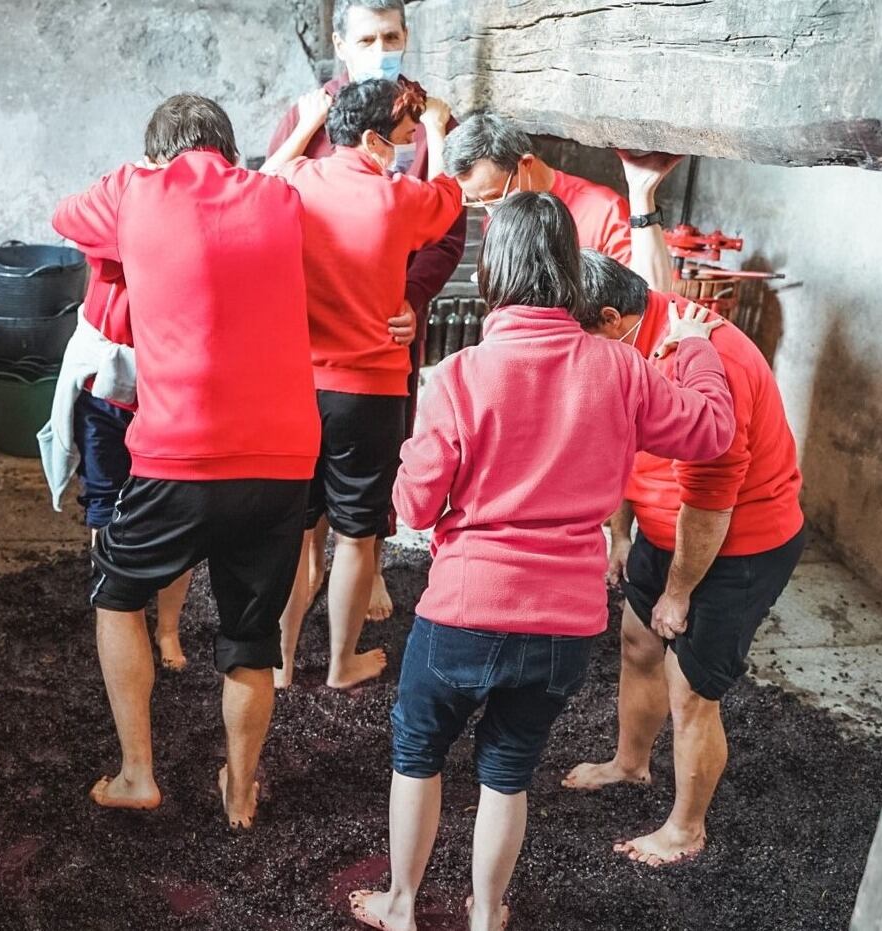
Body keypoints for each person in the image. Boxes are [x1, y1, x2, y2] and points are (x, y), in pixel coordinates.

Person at [348, 192, 735, 931]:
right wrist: (694, 346)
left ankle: (401, 906)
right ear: (567, 269)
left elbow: (415, 507)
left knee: (419, 753)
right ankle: (486, 913)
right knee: (507, 769)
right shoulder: (620, 367)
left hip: (463, 610)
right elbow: (711, 430)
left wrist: (411, 456)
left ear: (492, 269)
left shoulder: (459, 375)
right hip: (564, 624)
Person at [52, 94, 320, 829]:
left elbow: (64, 216)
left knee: (116, 597)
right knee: (250, 637)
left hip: (179, 452)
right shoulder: (279, 195)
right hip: (281, 457)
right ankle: (239, 788)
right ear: (230, 153)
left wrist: (139, 171)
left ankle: (139, 772)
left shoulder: (135, 190)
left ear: (156, 154)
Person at [562, 248, 807, 867]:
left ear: (613, 317)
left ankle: (685, 829)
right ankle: (630, 764)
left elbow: (709, 503)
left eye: (574, 333)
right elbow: (621, 446)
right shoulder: (630, 341)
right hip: (666, 526)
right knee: (637, 642)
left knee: (690, 685)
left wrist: (679, 592)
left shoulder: (705, 362)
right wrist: (623, 535)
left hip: (738, 539)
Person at [268, 0, 468, 622]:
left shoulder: (426, 113)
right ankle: (320, 568)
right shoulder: (312, 116)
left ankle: (365, 568)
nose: (380, 47)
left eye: (391, 35)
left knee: (373, 468)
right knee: (321, 488)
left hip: (385, 328)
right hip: (323, 348)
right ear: (340, 43)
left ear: (406, 37)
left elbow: (448, 237)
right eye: (367, 37)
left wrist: (411, 297)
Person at [71, 272, 193, 671]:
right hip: (105, 391)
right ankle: (120, 616)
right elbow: (70, 219)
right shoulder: (115, 217)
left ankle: (168, 628)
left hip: (174, 389)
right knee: (104, 509)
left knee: (179, 514)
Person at [443, 111, 633, 263]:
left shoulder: (603, 211)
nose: (491, 210)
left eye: (496, 196)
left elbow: (636, 299)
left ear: (525, 164)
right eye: (479, 201)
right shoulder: (499, 218)